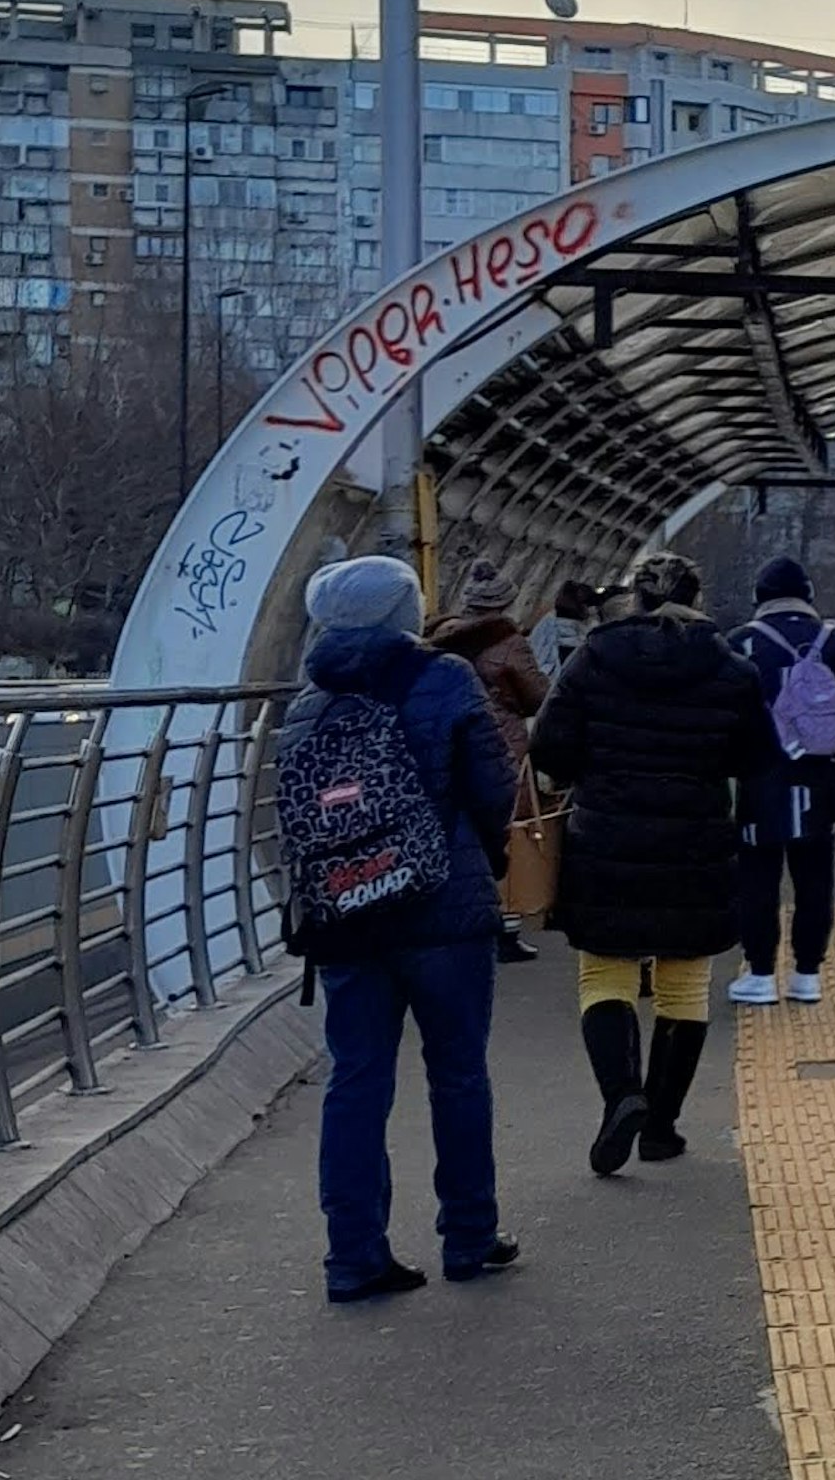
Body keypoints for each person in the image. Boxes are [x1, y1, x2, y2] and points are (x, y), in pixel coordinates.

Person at [279, 550, 521, 1303]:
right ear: (403, 614)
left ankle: (353, 1256)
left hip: (347, 916)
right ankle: (469, 1239)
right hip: (442, 908)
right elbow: (492, 786)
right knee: (457, 1073)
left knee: (355, 1082)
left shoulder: (305, 702)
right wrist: (484, 856)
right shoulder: (443, 679)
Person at [531, 552, 783, 1175]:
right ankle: (662, 1128)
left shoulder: (594, 658)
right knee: (683, 983)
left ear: (635, 601)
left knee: (605, 975)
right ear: (698, 598)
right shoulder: (732, 669)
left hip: (607, 835)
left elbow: (550, 745)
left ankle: (623, 1096)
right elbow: (758, 759)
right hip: (695, 840)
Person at [730, 550, 835, 1007]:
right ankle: (807, 974)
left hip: (757, 782)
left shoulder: (740, 643)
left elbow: (723, 713)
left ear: (759, 597)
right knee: (815, 879)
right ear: (809, 595)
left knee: (757, 879)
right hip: (821, 783)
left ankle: (758, 975)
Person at [430, 571, 553, 957]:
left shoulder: (441, 640)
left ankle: (462, 918)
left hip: (451, 744)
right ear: (504, 602)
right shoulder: (508, 640)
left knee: (462, 828)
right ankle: (505, 929)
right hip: (503, 741)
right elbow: (538, 697)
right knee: (509, 834)